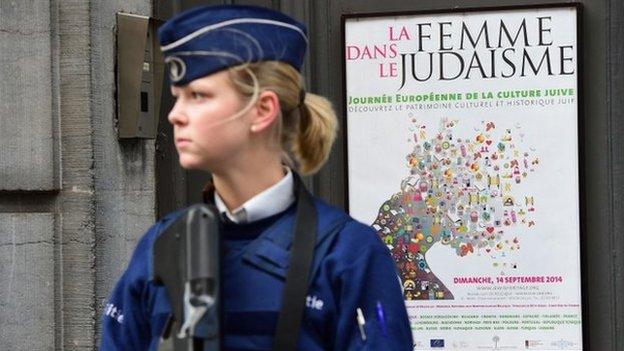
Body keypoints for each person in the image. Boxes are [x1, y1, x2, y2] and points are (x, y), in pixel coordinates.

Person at [100, 5, 413, 351]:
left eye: (198, 96)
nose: (175, 115)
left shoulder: (349, 255)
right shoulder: (160, 247)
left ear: (262, 110)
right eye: (177, 98)